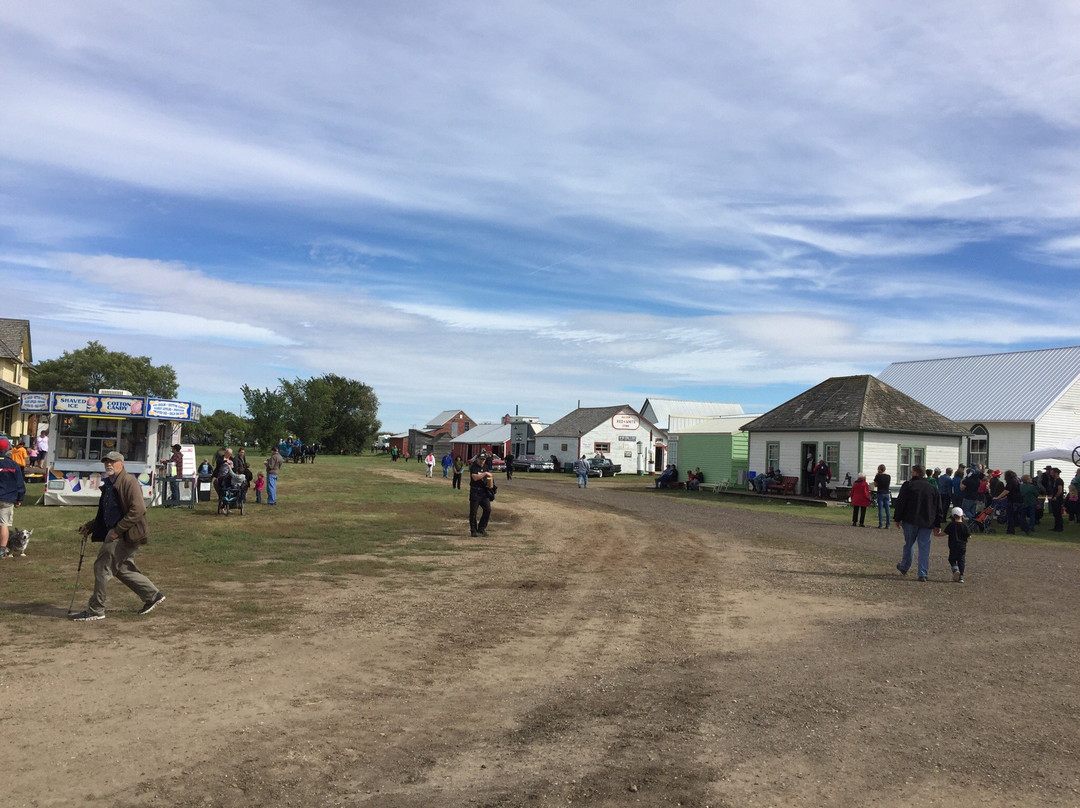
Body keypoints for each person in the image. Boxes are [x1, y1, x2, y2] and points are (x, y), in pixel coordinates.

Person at [70, 451, 165, 620]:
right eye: (106, 462)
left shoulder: (129, 482)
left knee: (102, 567)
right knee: (122, 569)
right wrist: (90, 526)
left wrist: (116, 531)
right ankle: (152, 595)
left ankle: (96, 610)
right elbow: (107, 512)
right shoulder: (109, 484)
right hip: (118, 532)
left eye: (113, 462)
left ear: (122, 464)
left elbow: (138, 510)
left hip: (123, 533)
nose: (109, 465)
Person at [893, 464, 944, 582]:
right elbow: (938, 508)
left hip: (911, 519)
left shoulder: (909, 485)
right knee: (924, 547)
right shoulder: (932, 488)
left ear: (915, 473)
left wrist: (897, 518)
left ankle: (904, 566)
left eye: (912, 472)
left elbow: (901, 502)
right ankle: (922, 573)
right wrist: (938, 524)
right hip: (927, 521)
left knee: (909, 544)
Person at [0, 439, 26, 559]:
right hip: (8, 498)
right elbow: (20, 483)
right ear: (7, 450)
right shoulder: (13, 464)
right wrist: (19, 498)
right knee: (4, 524)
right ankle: (2, 550)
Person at [469, 451, 494, 537]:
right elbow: (475, 477)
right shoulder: (474, 467)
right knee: (473, 512)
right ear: (477, 459)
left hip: (484, 492)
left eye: (483, 460)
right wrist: (485, 474)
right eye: (481, 459)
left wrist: (490, 484)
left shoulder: (486, 467)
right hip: (475, 492)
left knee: (488, 509)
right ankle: (473, 530)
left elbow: (489, 478)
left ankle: (481, 528)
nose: (482, 461)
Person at [944, 506, 971, 583]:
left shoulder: (951, 525)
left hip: (953, 545)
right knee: (961, 560)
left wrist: (937, 533)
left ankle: (955, 569)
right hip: (962, 546)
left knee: (951, 559)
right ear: (962, 516)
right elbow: (969, 536)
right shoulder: (965, 526)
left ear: (952, 516)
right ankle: (961, 576)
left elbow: (944, 533)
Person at [1047, 467, 1065, 532]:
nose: (1051, 474)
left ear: (1056, 473)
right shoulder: (1054, 480)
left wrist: (1055, 497)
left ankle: (1059, 527)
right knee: (1055, 514)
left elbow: (1060, 490)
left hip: (1057, 499)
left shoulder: (1059, 481)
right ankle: (1056, 527)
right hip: (1054, 499)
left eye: (1052, 472)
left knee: (1058, 514)